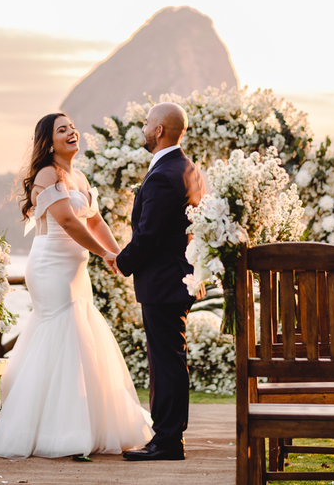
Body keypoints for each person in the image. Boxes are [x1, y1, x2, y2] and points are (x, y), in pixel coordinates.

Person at [0, 113, 153, 459]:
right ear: (48, 141)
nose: (71, 132)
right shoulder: (48, 173)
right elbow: (65, 219)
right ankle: (59, 431)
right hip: (51, 267)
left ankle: (85, 426)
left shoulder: (78, 175)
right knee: (64, 335)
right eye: (61, 129)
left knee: (82, 337)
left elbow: (94, 220)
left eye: (72, 127)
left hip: (78, 271)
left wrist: (119, 257)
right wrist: (105, 253)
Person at [114, 102, 205, 462]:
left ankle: (167, 441)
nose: (142, 127)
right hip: (176, 280)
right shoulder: (186, 169)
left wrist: (121, 262)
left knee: (165, 362)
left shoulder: (165, 174)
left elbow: (148, 234)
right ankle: (167, 437)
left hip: (164, 282)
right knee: (169, 359)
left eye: (147, 123)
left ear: (161, 131)